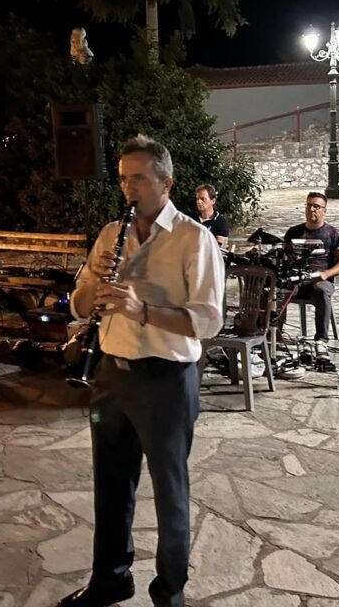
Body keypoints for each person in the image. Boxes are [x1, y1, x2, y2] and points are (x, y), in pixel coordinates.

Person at [61, 135, 224, 607]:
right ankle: (111, 578)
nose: (128, 188)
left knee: (170, 491)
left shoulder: (194, 238)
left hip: (166, 379)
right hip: (111, 374)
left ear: (166, 183)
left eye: (138, 178)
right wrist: (93, 287)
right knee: (110, 485)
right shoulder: (111, 234)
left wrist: (143, 310)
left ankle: (169, 591)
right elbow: (79, 302)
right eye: (122, 179)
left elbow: (208, 321)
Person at [283, 192, 339, 362]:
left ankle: (321, 340)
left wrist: (326, 274)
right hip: (296, 279)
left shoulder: (333, 233)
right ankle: (274, 334)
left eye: (316, 206)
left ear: (324, 211)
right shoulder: (294, 232)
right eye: (308, 205)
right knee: (275, 290)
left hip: (319, 279)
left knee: (321, 291)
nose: (311, 209)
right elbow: (283, 256)